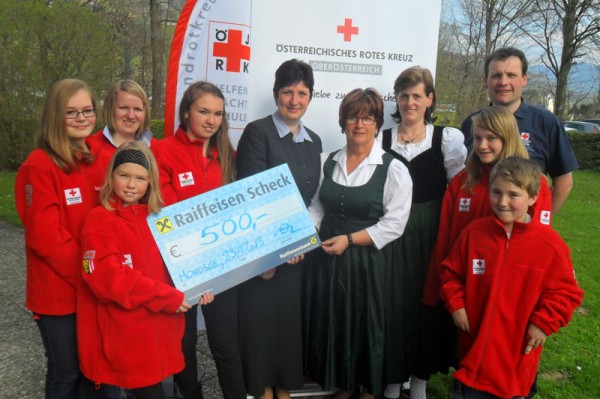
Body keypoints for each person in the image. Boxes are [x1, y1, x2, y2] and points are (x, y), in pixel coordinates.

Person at [77, 141, 214, 399]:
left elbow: (181, 264)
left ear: (151, 181)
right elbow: (108, 278)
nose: (131, 185)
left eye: (140, 178)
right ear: (111, 176)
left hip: (160, 333)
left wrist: (199, 288)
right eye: (124, 175)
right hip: (127, 338)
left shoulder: (159, 220)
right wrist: (167, 297)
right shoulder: (99, 219)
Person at [439, 156, 583, 399]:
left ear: (533, 197)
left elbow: (567, 293)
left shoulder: (549, 245)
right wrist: (457, 305)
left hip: (516, 359)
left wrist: (543, 323)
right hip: (474, 352)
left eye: (513, 195)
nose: (502, 202)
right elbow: (450, 273)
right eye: (496, 192)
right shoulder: (474, 234)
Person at [305, 88, 412, 398]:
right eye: (353, 117)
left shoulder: (393, 168)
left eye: (367, 118)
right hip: (329, 260)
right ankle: (344, 383)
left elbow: (395, 224)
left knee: (365, 324)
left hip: (368, 263)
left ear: (377, 123)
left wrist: (350, 240)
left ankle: (366, 388)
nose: (360, 124)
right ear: (343, 121)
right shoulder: (327, 161)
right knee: (337, 322)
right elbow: (317, 206)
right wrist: (304, 239)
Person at [14, 79, 109, 398]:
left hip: (93, 286)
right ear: (55, 116)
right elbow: (46, 238)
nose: (82, 118)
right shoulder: (39, 165)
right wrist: (90, 275)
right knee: (65, 371)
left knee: (90, 369)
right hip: (60, 294)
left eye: (87, 110)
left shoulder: (99, 158)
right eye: (71, 112)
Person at [235, 59, 322, 399]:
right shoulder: (258, 133)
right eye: (288, 92)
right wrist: (268, 256)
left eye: (302, 93)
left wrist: (298, 245)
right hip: (265, 256)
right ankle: (262, 391)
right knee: (260, 330)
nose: (294, 100)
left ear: (310, 96)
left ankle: (282, 390)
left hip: (297, 256)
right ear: (276, 94)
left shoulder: (314, 141)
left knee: (286, 330)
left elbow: (313, 199)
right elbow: (251, 196)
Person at [379, 66, 467, 399]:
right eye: (404, 95)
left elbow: (459, 189)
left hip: (431, 232)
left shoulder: (447, 139)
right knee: (393, 304)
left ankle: (419, 381)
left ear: (430, 99)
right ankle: (392, 374)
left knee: (425, 305)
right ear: (397, 100)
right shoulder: (382, 139)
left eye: (417, 95)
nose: (410, 102)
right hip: (392, 233)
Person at [152, 81, 239, 399]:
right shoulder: (161, 151)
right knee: (183, 348)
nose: (211, 120)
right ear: (186, 111)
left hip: (222, 267)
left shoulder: (228, 153)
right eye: (203, 111)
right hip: (181, 269)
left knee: (226, 346)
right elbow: (166, 215)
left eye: (217, 113)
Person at [423, 106, 553, 307]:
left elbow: (540, 246)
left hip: (509, 294)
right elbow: (444, 241)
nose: (482, 146)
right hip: (461, 292)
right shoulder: (462, 182)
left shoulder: (535, 184)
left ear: (508, 138)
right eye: (477, 138)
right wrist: (435, 291)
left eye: (491, 138)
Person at [461, 47, 578, 215]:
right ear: (485, 81)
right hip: (477, 228)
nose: (503, 82)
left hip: (522, 231)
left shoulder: (546, 123)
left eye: (511, 75)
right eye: (496, 75)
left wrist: (539, 220)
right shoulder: (471, 123)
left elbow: (564, 182)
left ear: (524, 79)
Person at [87, 79, 154, 170]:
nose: (131, 116)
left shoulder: (158, 149)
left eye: (137, 109)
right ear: (110, 109)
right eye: (123, 108)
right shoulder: (89, 148)